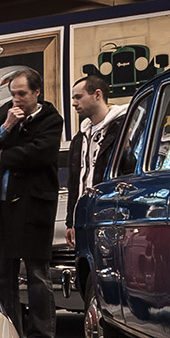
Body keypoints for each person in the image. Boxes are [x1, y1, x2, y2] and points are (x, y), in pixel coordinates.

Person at [0, 68, 63, 338]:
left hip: (33, 208)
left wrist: (5, 155)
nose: (17, 99)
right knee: (4, 276)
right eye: (13, 94)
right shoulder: (6, 116)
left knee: (37, 275)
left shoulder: (51, 119)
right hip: (2, 210)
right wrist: (5, 128)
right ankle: (12, 335)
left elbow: (41, 153)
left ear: (37, 92)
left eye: (22, 94)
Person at [65, 73, 127, 250]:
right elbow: (74, 182)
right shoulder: (80, 137)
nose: (74, 103)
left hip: (113, 217)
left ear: (97, 95)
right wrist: (71, 222)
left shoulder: (122, 130)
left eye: (78, 97)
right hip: (86, 218)